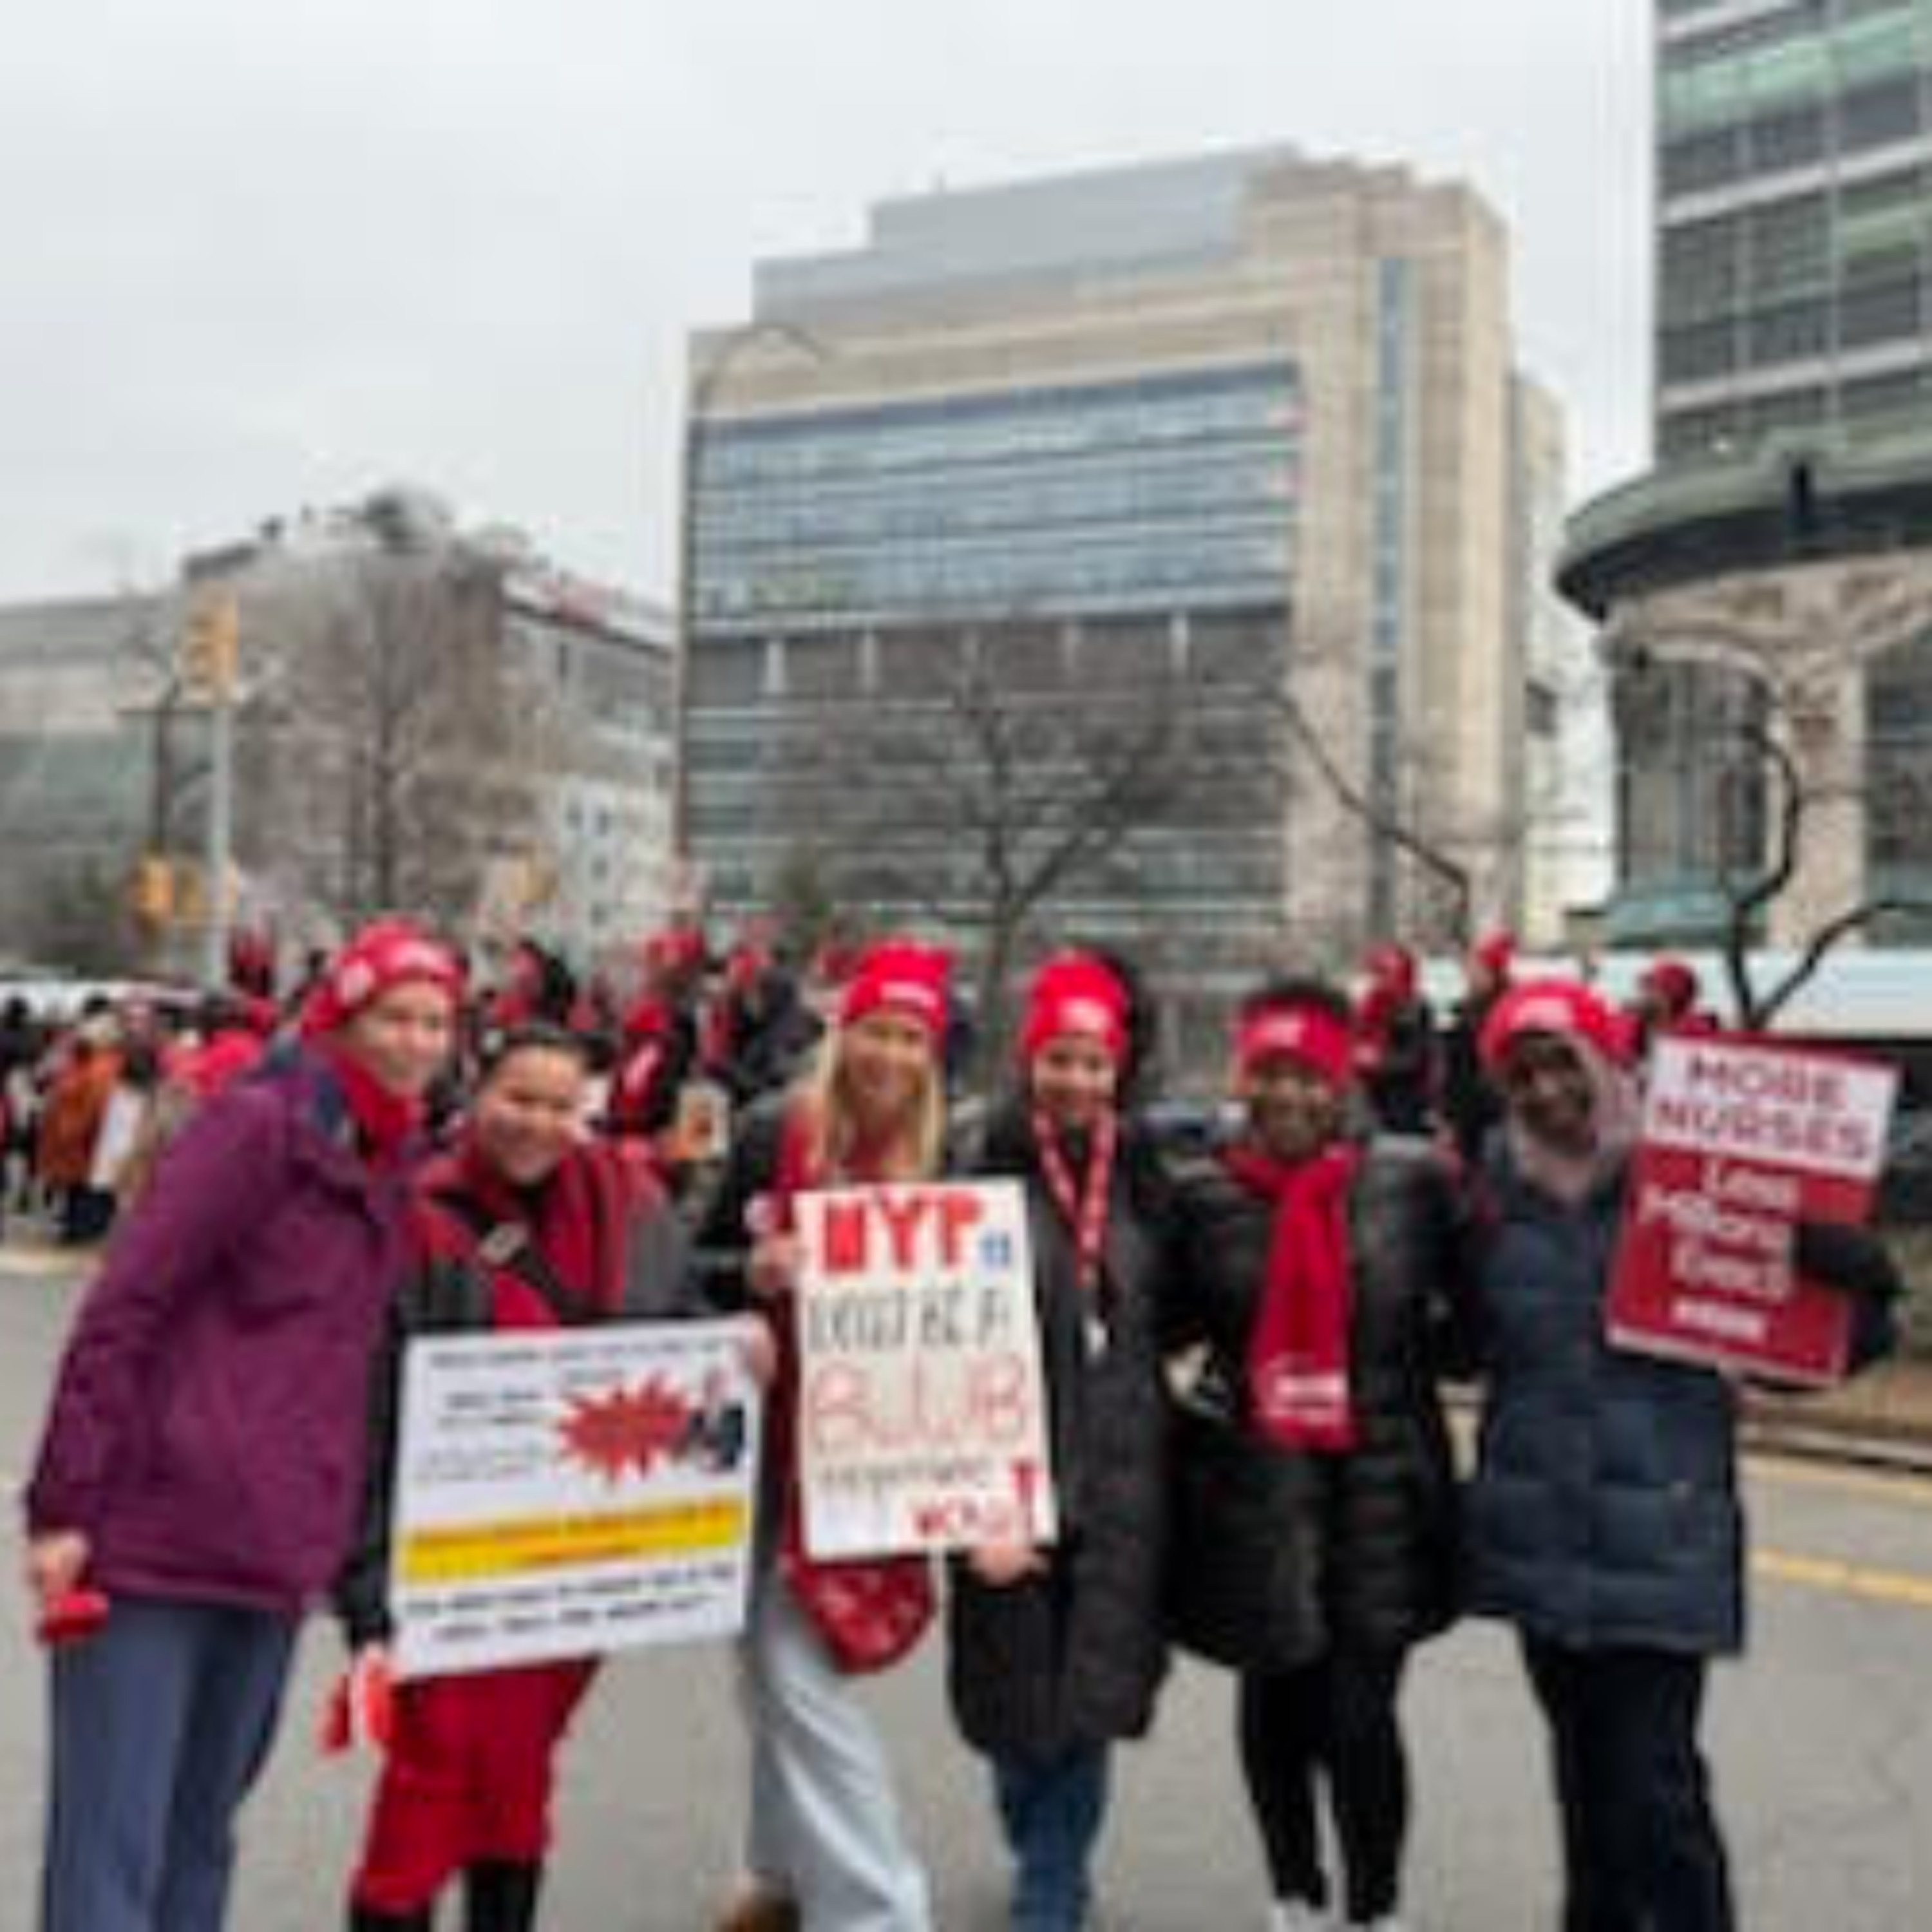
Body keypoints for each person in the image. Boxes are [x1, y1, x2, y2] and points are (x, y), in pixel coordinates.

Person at [22, 919, 462, 1932]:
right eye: (395, 1016)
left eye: (437, 1022)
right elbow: (124, 1308)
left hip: (271, 1550)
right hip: (151, 1540)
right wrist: (63, 1507)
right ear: (342, 1018)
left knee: (200, 1836)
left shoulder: (390, 1158)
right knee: (113, 1847)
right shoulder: (257, 1127)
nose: (418, 1042)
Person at [1463, 978, 1902, 1932]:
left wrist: (1857, 1296)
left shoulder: (1701, 1175)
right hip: (1541, 1543)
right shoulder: (1493, 1189)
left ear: (1608, 1060)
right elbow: (1465, 1337)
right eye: (1520, 1074)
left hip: (1661, 1536)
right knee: (1583, 1787)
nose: (1543, 1091)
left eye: (1560, 1064)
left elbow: (1793, 1353)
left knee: (1656, 1794)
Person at [336, 1024, 700, 1931]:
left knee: (519, 1769)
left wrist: (743, 1331)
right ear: (477, 1095)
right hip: (448, 1563)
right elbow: (368, 1410)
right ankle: (392, 1906)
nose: (536, 1123)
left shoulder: (631, 1202)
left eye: (558, 1105)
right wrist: (369, 1586)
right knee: (431, 1774)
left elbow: (682, 1320)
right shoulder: (417, 1212)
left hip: (573, 1562)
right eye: (517, 1099)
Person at [1169, 978, 1466, 1932]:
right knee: (1276, 1710)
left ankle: (1375, 1911)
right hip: (1255, 1490)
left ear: (1343, 1082)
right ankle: (1294, 1895)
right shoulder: (1200, 1195)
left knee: (1359, 1716)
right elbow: (1152, 1325)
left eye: (1311, 1077)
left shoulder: (1413, 1181)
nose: (1290, 1096)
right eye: (1271, 1075)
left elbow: (1474, 1321)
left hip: (1381, 1486)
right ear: (1243, 1080)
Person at [696, 938, 951, 1932]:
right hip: (763, 1438)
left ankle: (877, 1905)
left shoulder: (947, 1151)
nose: (890, 1053)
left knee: (796, 1674)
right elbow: (699, 1253)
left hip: (875, 1446)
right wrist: (748, 1275)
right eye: (876, 1030)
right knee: (767, 1667)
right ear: (844, 1034)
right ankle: (784, 1873)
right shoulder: (774, 1131)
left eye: (911, 1036)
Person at [949, 953, 1173, 1932]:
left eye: (1094, 1061)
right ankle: (1031, 1835)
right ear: (1027, 1060)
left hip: (1119, 1476)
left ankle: (1055, 1887)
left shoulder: (1147, 1171)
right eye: (1059, 1059)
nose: (1077, 1079)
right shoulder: (975, 1162)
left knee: (1085, 1700)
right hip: (1005, 1472)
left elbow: (1194, 1294)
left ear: (1118, 1069)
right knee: (1012, 1699)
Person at [1440, 929, 1514, 1166]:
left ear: (1494, 972)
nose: (1468, 974)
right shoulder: (1465, 1010)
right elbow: (1454, 1070)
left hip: (1495, 1116)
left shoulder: (1506, 1010)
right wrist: (1449, 1117)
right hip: (1468, 1117)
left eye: (1476, 968)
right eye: (1468, 968)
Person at [1354, 944, 1437, 1138]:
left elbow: (1416, 1059)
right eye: (1377, 973)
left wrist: (1377, 1062)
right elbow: (1357, 1041)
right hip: (1374, 1102)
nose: (1379, 980)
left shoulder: (1416, 1008)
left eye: (1385, 973)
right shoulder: (1369, 1005)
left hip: (1406, 1104)